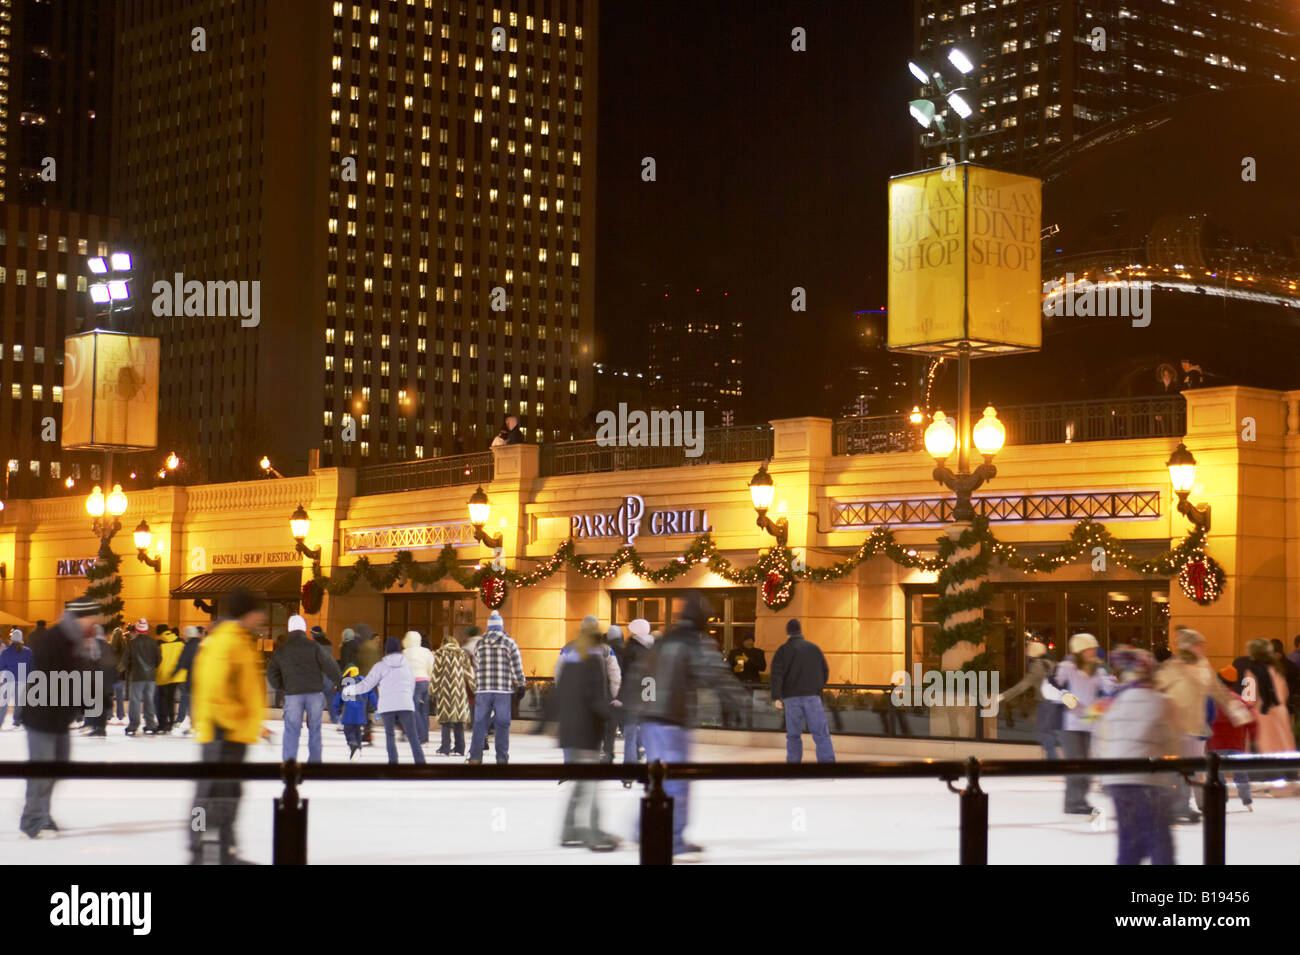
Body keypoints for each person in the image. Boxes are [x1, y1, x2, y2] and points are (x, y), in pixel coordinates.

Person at [637, 592, 745, 857]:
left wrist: (636, 709)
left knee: (656, 780)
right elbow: (715, 676)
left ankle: (641, 829)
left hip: (650, 721)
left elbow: (640, 677)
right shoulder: (694, 642)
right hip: (672, 721)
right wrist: (742, 702)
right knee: (677, 781)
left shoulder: (663, 642)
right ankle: (672, 839)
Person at [190, 588, 268, 865]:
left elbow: (242, 688)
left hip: (232, 733)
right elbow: (214, 689)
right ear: (249, 612)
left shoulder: (237, 639)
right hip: (223, 734)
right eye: (259, 610)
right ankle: (200, 852)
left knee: (227, 795)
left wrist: (252, 723)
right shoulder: (226, 641)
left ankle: (225, 852)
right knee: (210, 795)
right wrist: (233, 720)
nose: (262, 616)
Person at [20, 597, 100, 839]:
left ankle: (41, 812)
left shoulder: (77, 640)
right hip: (42, 716)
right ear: (80, 617)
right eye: (91, 617)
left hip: (58, 718)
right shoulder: (56, 639)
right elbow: (52, 678)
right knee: (43, 771)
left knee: (58, 768)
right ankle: (32, 820)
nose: (95, 621)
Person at [1092, 647, 1180, 865]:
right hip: (1148, 781)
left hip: (1118, 781)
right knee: (1159, 839)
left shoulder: (1112, 703)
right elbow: (1173, 742)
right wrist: (1178, 769)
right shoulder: (1161, 701)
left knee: (1129, 841)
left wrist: (1105, 774)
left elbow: (1100, 741)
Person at [1155, 627, 1250, 822]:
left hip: (1196, 727)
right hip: (1176, 727)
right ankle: (1177, 806)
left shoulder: (1204, 665)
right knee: (1181, 768)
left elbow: (1218, 690)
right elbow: (1156, 686)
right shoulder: (1174, 666)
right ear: (1189, 646)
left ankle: (1187, 804)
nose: (1203, 648)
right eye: (1199, 644)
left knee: (1195, 769)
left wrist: (1237, 711)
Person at [556, 621, 619, 851]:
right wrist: (612, 714)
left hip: (572, 730)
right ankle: (593, 834)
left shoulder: (571, 654)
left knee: (581, 784)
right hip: (587, 731)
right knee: (590, 785)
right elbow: (595, 696)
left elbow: (559, 685)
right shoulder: (594, 657)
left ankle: (569, 830)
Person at [1052, 633, 1117, 814]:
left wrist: (1112, 684)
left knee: (1086, 765)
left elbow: (1109, 690)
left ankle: (1080, 799)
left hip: (1088, 723)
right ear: (1080, 651)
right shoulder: (1067, 667)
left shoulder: (1099, 669)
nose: (1093, 652)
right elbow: (1051, 687)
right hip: (1069, 725)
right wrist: (1063, 696)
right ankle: (1073, 802)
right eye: (1089, 649)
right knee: (1076, 764)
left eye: (1094, 648)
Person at [268, 614, 342, 764]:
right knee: (315, 729)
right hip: (314, 693)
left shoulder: (282, 650)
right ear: (304, 629)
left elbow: (271, 672)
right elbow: (330, 665)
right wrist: (339, 683)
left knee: (292, 730)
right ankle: (315, 763)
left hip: (293, 694)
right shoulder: (314, 646)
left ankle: (289, 763)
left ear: (289, 629)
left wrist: (282, 686)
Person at [342, 637, 425, 764]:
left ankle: (393, 763)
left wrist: (350, 690)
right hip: (405, 704)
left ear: (386, 650)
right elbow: (412, 684)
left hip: (388, 706)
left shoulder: (380, 666)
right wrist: (408, 697)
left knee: (390, 735)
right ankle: (421, 763)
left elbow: (366, 685)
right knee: (413, 736)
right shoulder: (407, 665)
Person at [770, 619, 835, 763]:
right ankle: (827, 764)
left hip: (791, 698)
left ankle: (793, 765)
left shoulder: (783, 651)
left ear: (788, 633)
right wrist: (817, 688)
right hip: (812, 697)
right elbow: (825, 670)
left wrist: (777, 697)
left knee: (793, 735)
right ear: (800, 631)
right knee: (820, 733)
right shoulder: (814, 648)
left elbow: (776, 675)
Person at [468, 610, 526, 764]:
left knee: (480, 723)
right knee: (502, 724)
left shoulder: (479, 644)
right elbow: (516, 666)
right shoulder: (509, 643)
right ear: (501, 627)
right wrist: (521, 684)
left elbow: (475, 666)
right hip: (502, 690)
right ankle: (501, 758)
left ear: (488, 628)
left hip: (483, 689)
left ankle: (475, 757)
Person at [998, 639, 1063, 759]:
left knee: (1045, 732)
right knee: (1049, 731)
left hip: (1046, 703)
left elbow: (1022, 686)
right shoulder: (1050, 663)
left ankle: (1053, 760)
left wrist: (1003, 696)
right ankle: (1053, 758)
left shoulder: (1037, 667)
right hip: (1056, 702)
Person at [1208, 664, 1256, 811]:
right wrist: (1252, 738)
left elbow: (1206, 719)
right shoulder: (1240, 700)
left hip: (1216, 743)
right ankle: (1247, 801)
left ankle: (1221, 800)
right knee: (1240, 772)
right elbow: (1251, 722)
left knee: (1218, 774)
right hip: (1236, 743)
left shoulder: (1212, 700)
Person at [618, 619, 655, 767]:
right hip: (650, 690)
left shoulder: (630, 648)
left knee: (630, 730)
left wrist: (621, 696)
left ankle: (630, 766)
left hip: (633, 693)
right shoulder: (655, 647)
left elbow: (624, 674)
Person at [432, 632, 475, 756]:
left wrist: (433, 690)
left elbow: (436, 673)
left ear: (443, 643)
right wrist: (474, 688)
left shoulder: (440, 653)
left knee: (446, 721)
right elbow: (469, 673)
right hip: (459, 692)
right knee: (458, 721)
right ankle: (460, 748)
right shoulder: (462, 654)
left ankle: (445, 748)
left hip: (445, 692)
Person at [123, 618, 161, 736]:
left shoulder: (132, 643)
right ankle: (150, 724)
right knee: (149, 700)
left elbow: (126, 660)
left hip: (137, 676)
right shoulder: (153, 642)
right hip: (151, 677)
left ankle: (133, 725)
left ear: (138, 630)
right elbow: (159, 659)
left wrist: (129, 670)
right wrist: (152, 668)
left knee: (135, 701)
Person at [333, 667, 377, 758]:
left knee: (348, 730)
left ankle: (353, 744)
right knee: (357, 730)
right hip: (361, 711)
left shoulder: (345, 682)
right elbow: (372, 695)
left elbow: (338, 698)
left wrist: (336, 710)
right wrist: (376, 706)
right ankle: (359, 748)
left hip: (349, 711)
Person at [725, 633, 766, 729]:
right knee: (737, 706)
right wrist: (734, 669)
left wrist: (748, 660)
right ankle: (736, 725)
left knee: (750, 707)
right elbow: (728, 668)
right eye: (748, 640)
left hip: (753, 684)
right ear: (743, 641)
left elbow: (762, 667)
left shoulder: (759, 652)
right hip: (739, 684)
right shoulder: (734, 653)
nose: (750, 642)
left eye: (752, 640)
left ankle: (749, 725)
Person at [82, 624, 116, 738]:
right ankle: (100, 728)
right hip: (105, 680)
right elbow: (112, 664)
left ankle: (97, 727)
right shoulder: (108, 646)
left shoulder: (94, 646)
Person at [402, 630, 435, 745]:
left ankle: (420, 735)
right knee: (424, 710)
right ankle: (425, 735)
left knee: (413, 708)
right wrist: (430, 680)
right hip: (425, 681)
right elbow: (431, 667)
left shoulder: (406, 652)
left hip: (413, 683)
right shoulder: (426, 652)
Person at [172, 626, 204, 734]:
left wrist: (174, 672)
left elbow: (183, 661)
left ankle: (192, 725)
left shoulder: (189, 646)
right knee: (195, 701)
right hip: (202, 677)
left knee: (188, 700)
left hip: (192, 677)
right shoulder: (202, 645)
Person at [0, 629, 33, 730]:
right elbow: (31, 666)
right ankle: (17, 720)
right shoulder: (28, 651)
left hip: (8, 680)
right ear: (21, 638)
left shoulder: (6, 652)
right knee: (19, 703)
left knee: (3, 703)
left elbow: (1, 667)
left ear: (11, 638)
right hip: (22, 679)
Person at [156, 627, 185, 733]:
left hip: (163, 675)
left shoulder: (159, 642)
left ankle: (163, 723)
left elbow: (157, 659)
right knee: (171, 699)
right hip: (176, 676)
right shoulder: (181, 642)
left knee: (162, 700)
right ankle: (171, 721)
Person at [109, 627, 128, 724]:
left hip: (111, 675)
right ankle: (120, 714)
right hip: (121, 675)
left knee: (110, 695)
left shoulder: (109, 646)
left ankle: (109, 714)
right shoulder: (124, 646)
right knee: (120, 696)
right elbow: (125, 660)